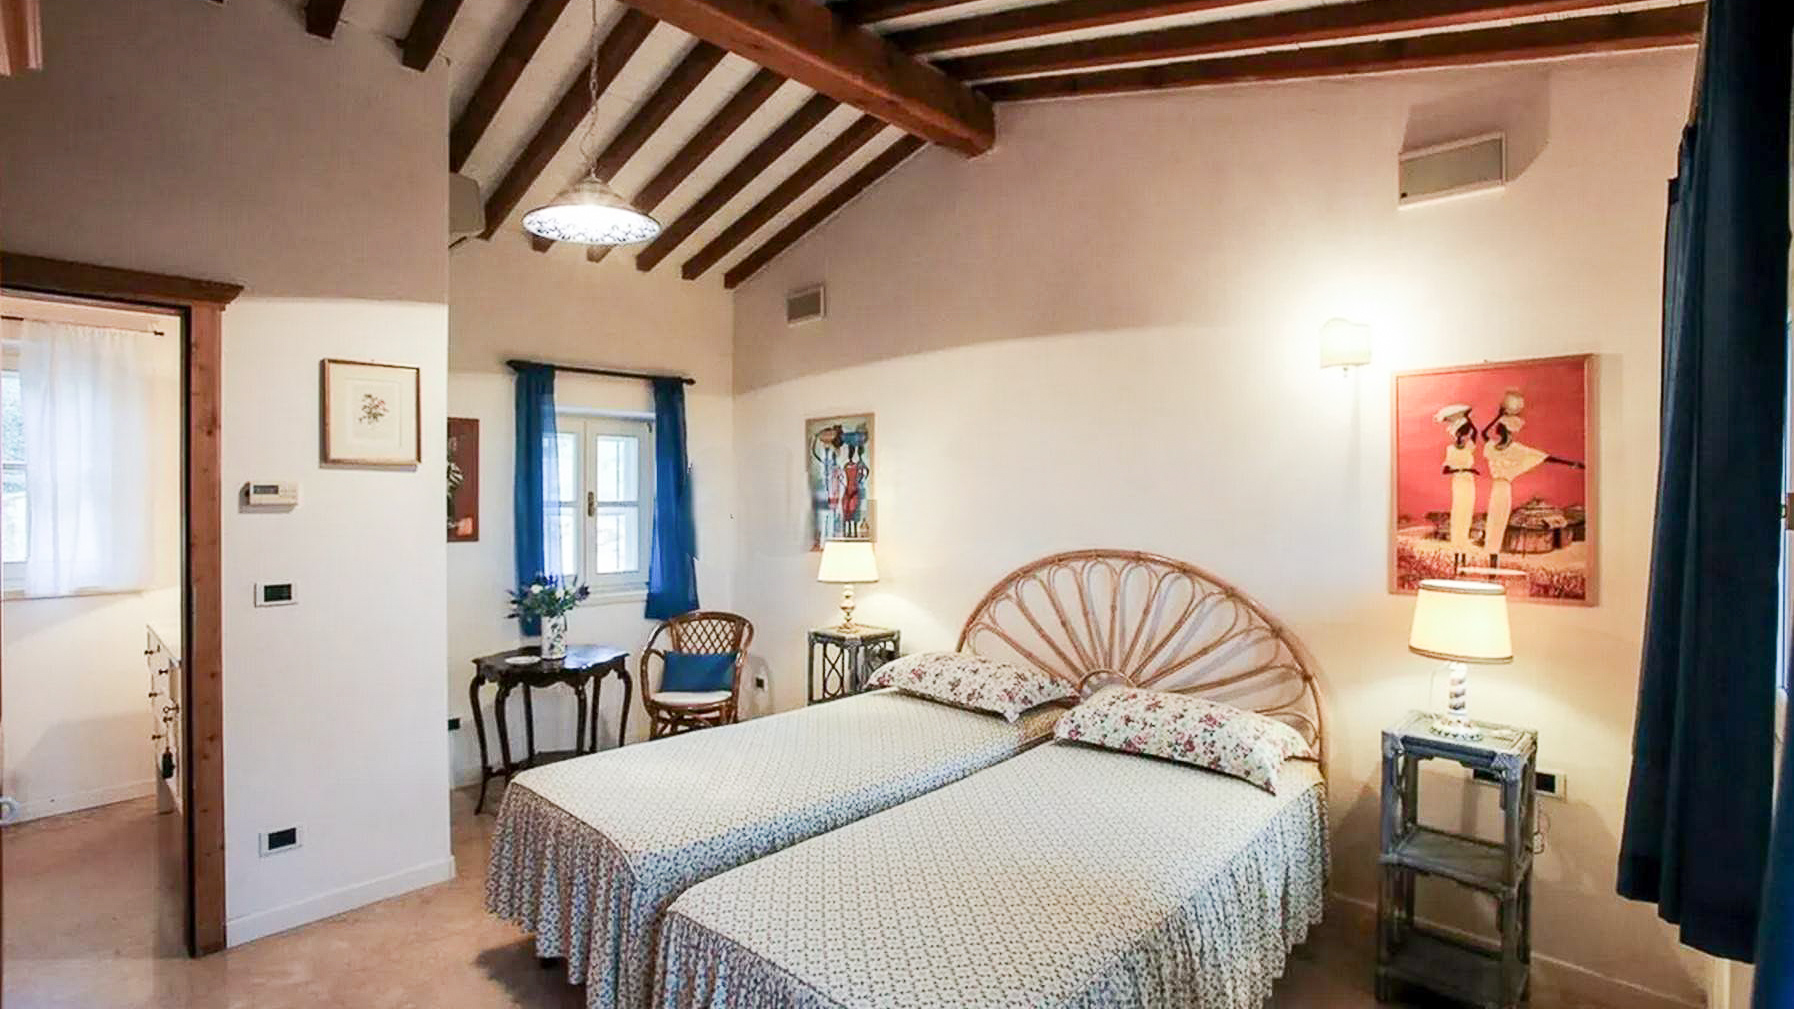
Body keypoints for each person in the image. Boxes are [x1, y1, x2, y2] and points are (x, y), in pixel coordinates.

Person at [1480, 390, 1584, 565]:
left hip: (1501, 488)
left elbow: (1543, 457)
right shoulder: (1497, 448)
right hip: (1500, 489)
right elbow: (1546, 458)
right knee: (1495, 521)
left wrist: (1498, 415)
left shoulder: (1508, 449)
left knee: (1496, 522)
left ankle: (1493, 557)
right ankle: (1492, 557)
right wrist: (1499, 415)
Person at [1434, 403, 1479, 571]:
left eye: (1464, 433)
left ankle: (1463, 558)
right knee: (1458, 517)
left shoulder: (1469, 447)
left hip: (1469, 483)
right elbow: (1445, 470)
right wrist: (1463, 469)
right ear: (1456, 433)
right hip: (1459, 482)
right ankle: (1456, 557)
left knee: (1467, 517)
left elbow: (1476, 433)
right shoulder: (1450, 449)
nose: (1463, 436)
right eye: (1461, 433)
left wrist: (1467, 418)